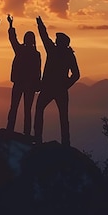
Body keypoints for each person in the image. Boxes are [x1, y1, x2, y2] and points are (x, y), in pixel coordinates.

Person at [33, 16, 80, 146]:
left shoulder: (52, 50)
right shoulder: (69, 55)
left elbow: (44, 36)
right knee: (63, 117)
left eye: (57, 40)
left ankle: (38, 138)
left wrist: (40, 24)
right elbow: (76, 75)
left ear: (61, 42)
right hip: (60, 89)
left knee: (40, 110)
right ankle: (65, 142)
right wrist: (65, 85)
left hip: (48, 87)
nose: (55, 41)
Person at [5, 15, 41, 135]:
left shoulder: (20, 50)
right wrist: (37, 85)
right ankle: (26, 133)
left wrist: (11, 25)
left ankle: (10, 129)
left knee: (14, 107)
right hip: (28, 85)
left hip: (20, 83)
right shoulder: (36, 54)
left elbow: (13, 39)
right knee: (26, 110)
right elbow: (38, 71)